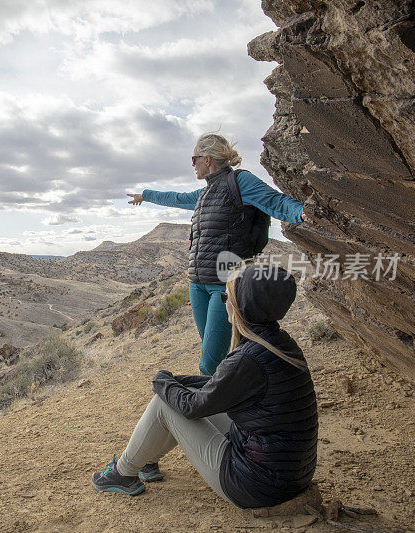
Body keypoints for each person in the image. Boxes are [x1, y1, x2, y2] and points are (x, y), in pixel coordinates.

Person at [91, 263, 318, 508]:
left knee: (165, 404)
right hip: (288, 475)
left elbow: (193, 408)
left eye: (226, 296)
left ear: (244, 304)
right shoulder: (276, 344)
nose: (224, 302)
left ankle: (123, 473)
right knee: (177, 394)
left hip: (254, 485)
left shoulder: (247, 359)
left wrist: (161, 380)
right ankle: (147, 459)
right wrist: (177, 381)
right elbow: (218, 387)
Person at [128, 133, 307, 375]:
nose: (192, 165)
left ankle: (219, 406)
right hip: (197, 284)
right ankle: (238, 397)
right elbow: (177, 198)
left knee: (209, 364)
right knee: (217, 354)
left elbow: (275, 201)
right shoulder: (204, 194)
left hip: (225, 285)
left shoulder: (240, 182)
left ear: (207, 159)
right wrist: (146, 195)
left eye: (194, 159)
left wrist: (303, 212)